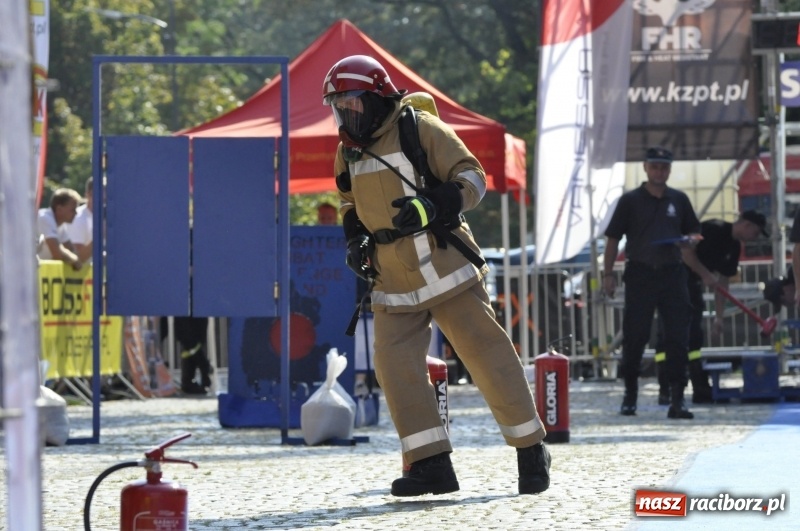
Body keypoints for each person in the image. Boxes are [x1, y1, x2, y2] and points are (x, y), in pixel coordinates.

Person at [323, 55, 550, 497]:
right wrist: (355, 241)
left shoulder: (420, 128)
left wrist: (432, 205)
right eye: (338, 107)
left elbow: (473, 177)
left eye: (351, 104)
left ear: (377, 97)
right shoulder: (347, 150)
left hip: (446, 268)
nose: (346, 116)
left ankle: (530, 449)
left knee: (487, 356)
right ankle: (430, 465)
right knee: (394, 369)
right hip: (391, 279)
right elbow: (349, 202)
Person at [603, 147, 716, 420]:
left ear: (669, 169)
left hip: (672, 273)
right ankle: (630, 395)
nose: (659, 172)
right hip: (640, 273)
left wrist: (690, 241)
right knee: (635, 336)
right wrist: (607, 274)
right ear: (645, 167)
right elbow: (613, 239)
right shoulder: (630, 200)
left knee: (678, 336)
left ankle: (678, 398)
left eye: (664, 167)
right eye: (654, 166)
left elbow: (694, 231)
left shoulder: (679, 199)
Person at [654, 210, 769, 405]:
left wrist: (719, 316)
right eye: (755, 233)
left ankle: (699, 385)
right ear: (746, 225)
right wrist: (705, 274)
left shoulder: (734, 247)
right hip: (672, 279)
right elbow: (686, 252)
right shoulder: (711, 229)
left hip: (692, 285)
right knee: (668, 335)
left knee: (694, 335)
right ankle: (665, 387)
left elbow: (723, 283)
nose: (755, 238)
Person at [37, 187, 83, 270]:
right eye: (73, 210)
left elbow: (71, 249)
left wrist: (75, 259)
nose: (76, 213)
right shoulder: (45, 218)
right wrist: (75, 260)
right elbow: (57, 253)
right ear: (59, 209)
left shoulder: (60, 225)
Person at [66, 178, 94, 265]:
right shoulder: (77, 218)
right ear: (88, 194)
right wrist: (101, 234)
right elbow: (78, 257)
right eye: (103, 192)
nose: (105, 197)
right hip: (83, 273)